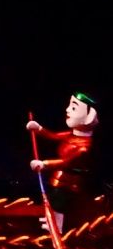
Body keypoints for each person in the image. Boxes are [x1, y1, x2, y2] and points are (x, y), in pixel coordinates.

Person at [26, 92, 98, 231]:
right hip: (58, 179)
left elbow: (66, 162)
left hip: (69, 183)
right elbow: (53, 136)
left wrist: (44, 164)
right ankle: (50, 219)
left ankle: (57, 226)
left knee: (60, 203)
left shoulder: (84, 147)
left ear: (90, 117)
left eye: (74, 107)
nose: (67, 110)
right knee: (53, 200)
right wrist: (39, 129)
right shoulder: (70, 135)